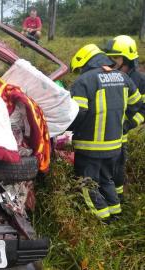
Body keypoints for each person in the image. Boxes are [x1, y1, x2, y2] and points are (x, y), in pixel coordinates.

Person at [69, 44, 142, 222]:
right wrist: (122, 123)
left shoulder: (84, 81)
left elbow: (78, 113)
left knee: (86, 183)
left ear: (84, 62)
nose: (80, 72)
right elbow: (137, 103)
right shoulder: (123, 77)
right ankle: (115, 212)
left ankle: (101, 219)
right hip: (115, 145)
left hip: (89, 146)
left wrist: (68, 130)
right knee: (106, 179)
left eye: (79, 68)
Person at [104, 35, 145, 202]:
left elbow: (143, 109)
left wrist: (127, 124)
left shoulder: (140, 80)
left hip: (121, 133)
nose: (111, 60)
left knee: (118, 167)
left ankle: (118, 198)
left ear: (127, 58)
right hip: (104, 132)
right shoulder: (111, 75)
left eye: (115, 57)